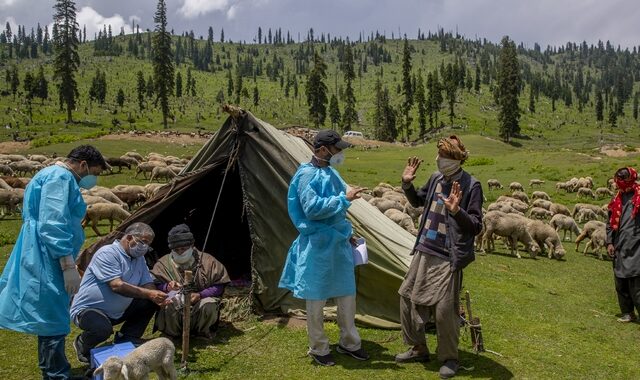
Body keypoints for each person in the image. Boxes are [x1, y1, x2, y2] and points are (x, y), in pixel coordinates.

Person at [0, 145, 106, 380]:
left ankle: (51, 369)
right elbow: (53, 221)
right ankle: (56, 374)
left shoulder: (47, 175)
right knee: (52, 315)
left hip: (41, 249)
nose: (94, 179)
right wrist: (67, 263)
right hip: (49, 254)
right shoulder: (59, 177)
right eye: (95, 172)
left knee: (48, 312)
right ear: (83, 164)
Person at [395, 135, 483, 379]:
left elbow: (476, 225)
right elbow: (419, 201)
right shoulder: (435, 178)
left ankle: (449, 357)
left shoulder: (471, 185)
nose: (439, 160)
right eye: (439, 155)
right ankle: (418, 347)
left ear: (456, 159)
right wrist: (406, 184)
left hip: (448, 255)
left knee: (445, 310)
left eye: (444, 156)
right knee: (407, 297)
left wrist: (457, 211)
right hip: (425, 248)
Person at [279, 129, 369, 366]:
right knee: (316, 299)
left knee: (347, 294)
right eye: (337, 149)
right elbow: (312, 209)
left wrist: (347, 233)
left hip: (338, 242)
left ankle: (350, 342)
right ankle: (318, 348)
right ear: (321, 149)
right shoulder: (305, 176)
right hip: (317, 245)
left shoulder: (331, 173)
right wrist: (344, 198)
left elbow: (338, 211)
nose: (339, 153)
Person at [70, 222, 167, 364]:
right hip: (89, 310)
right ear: (129, 238)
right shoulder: (108, 253)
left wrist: (157, 297)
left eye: (148, 244)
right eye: (143, 242)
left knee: (149, 301)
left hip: (118, 311)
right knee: (101, 329)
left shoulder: (139, 259)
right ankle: (82, 344)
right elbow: (116, 286)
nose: (145, 247)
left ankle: (127, 337)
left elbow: (147, 282)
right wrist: (149, 293)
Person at [152, 224, 230, 339]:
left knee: (209, 304)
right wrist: (167, 287)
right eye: (176, 250)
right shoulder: (163, 263)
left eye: (183, 249)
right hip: (176, 306)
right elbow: (155, 284)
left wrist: (200, 295)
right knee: (170, 302)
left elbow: (219, 286)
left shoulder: (208, 261)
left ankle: (202, 331)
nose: (180, 252)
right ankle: (172, 333)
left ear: (192, 246)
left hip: (200, 303)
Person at [607, 167, 640, 323]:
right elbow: (609, 223)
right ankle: (627, 313)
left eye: (622, 178)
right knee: (620, 283)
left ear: (630, 178)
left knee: (636, 285)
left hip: (637, 247)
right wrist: (609, 242)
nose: (618, 181)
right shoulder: (616, 200)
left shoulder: (639, 196)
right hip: (620, 246)